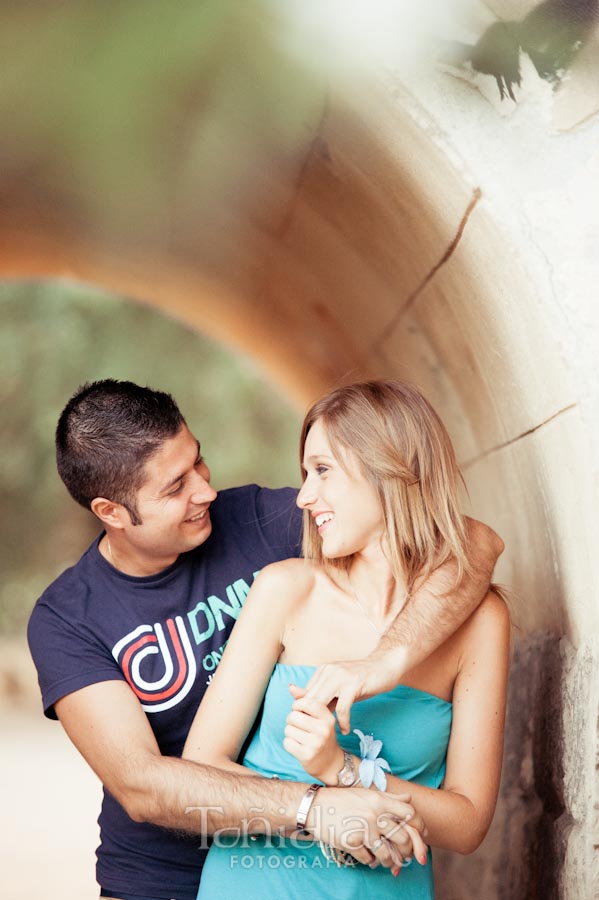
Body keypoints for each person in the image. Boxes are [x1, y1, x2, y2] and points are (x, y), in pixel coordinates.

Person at [27, 379, 503, 900]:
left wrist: (384, 662)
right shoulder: (67, 618)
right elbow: (142, 784)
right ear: (112, 513)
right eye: (174, 487)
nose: (204, 490)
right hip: (157, 879)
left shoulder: (256, 520)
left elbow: (466, 542)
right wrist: (316, 803)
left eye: (198, 463)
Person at [183, 380, 510, 899]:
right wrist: (317, 804)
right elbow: (200, 771)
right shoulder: (285, 588)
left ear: (390, 469)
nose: (305, 495)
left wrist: (342, 769)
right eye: (305, 473)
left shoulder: (481, 619)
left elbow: (468, 823)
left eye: (323, 470)